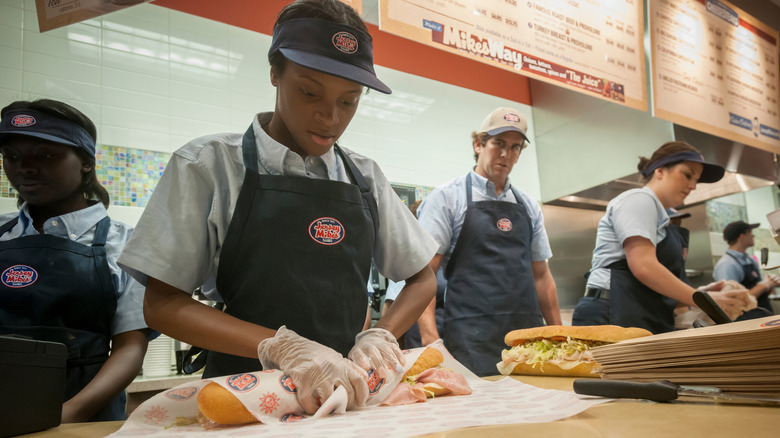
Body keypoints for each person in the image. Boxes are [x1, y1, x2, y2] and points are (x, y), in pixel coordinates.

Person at [117, 0, 437, 414]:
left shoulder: (364, 177)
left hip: (347, 398)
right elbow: (161, 305)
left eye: (350, 101)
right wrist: (284, 348)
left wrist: (380, 337)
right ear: (274, 72)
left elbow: (422, 279)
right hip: (245, 396)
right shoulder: (208, 165)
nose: (330, 118)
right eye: (309, 92)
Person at [0, 99, 151, 422]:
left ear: (85, 161)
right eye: (11, 156)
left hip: (82, 417)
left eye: (44, 155)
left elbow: (129, 348)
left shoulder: (126, 244)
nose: (24, 167)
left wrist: (67, 415)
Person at [415, 107, 561, 377]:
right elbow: (424, 276)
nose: (506, 155)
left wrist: (560, 335)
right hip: (471, 336)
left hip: (527, 339)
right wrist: (430, 342)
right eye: (499, 144)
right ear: (478, 144)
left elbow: (542, 277)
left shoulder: (528, 205)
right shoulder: (447, 198)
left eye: (515, 147)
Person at [572, 141, 751, 333]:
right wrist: (704, 301)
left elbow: (650, 289)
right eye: (688, 175)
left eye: (696, 180)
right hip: (612, 312)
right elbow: (643, 266)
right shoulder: (639, 199)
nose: (693, 186)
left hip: (639, 312)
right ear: (660, 171)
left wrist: (702, 293)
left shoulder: (661, 216)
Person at [713, 221, 780, 319]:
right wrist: (764, 285)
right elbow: (731, 300)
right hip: (746, 320)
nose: (753, 236)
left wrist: (770, 285)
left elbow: (759, 293)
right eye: (750, 232)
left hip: (763, 316)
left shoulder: (750, 260)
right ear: (741, 236)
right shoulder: (727, 264)